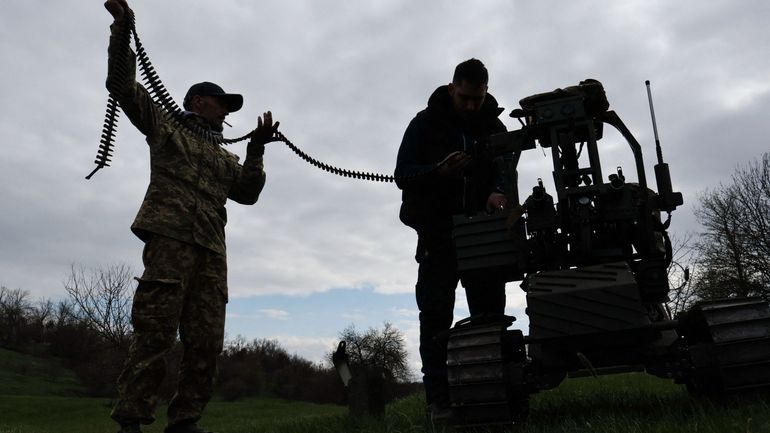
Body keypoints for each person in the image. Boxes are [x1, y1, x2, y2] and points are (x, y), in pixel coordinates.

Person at [103, 1, 280, 432]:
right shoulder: (166, 127)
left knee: (205, 343)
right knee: (155, 332)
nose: (227, 113)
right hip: (170, 239)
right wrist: (122, 30)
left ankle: (185, 422)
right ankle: (131, 418)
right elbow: (123, 86)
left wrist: (255, 149)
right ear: (198, 102)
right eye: (221, 104)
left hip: (211, 253)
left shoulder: (224, 157)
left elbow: (249, 194)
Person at [394, 58, 508, 421]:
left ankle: (499, 396)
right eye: (465, 98)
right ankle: (439, 403)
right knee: (435, 322)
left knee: (489, 318)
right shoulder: (424, 124)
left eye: (477, 99)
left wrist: (498, 192)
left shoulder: (494, 127)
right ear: (451, 89)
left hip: (482, 238)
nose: (471, 105)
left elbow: (506, 170)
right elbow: (402, 173)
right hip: (438, 237)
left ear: (485, 92)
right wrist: (437, 171)